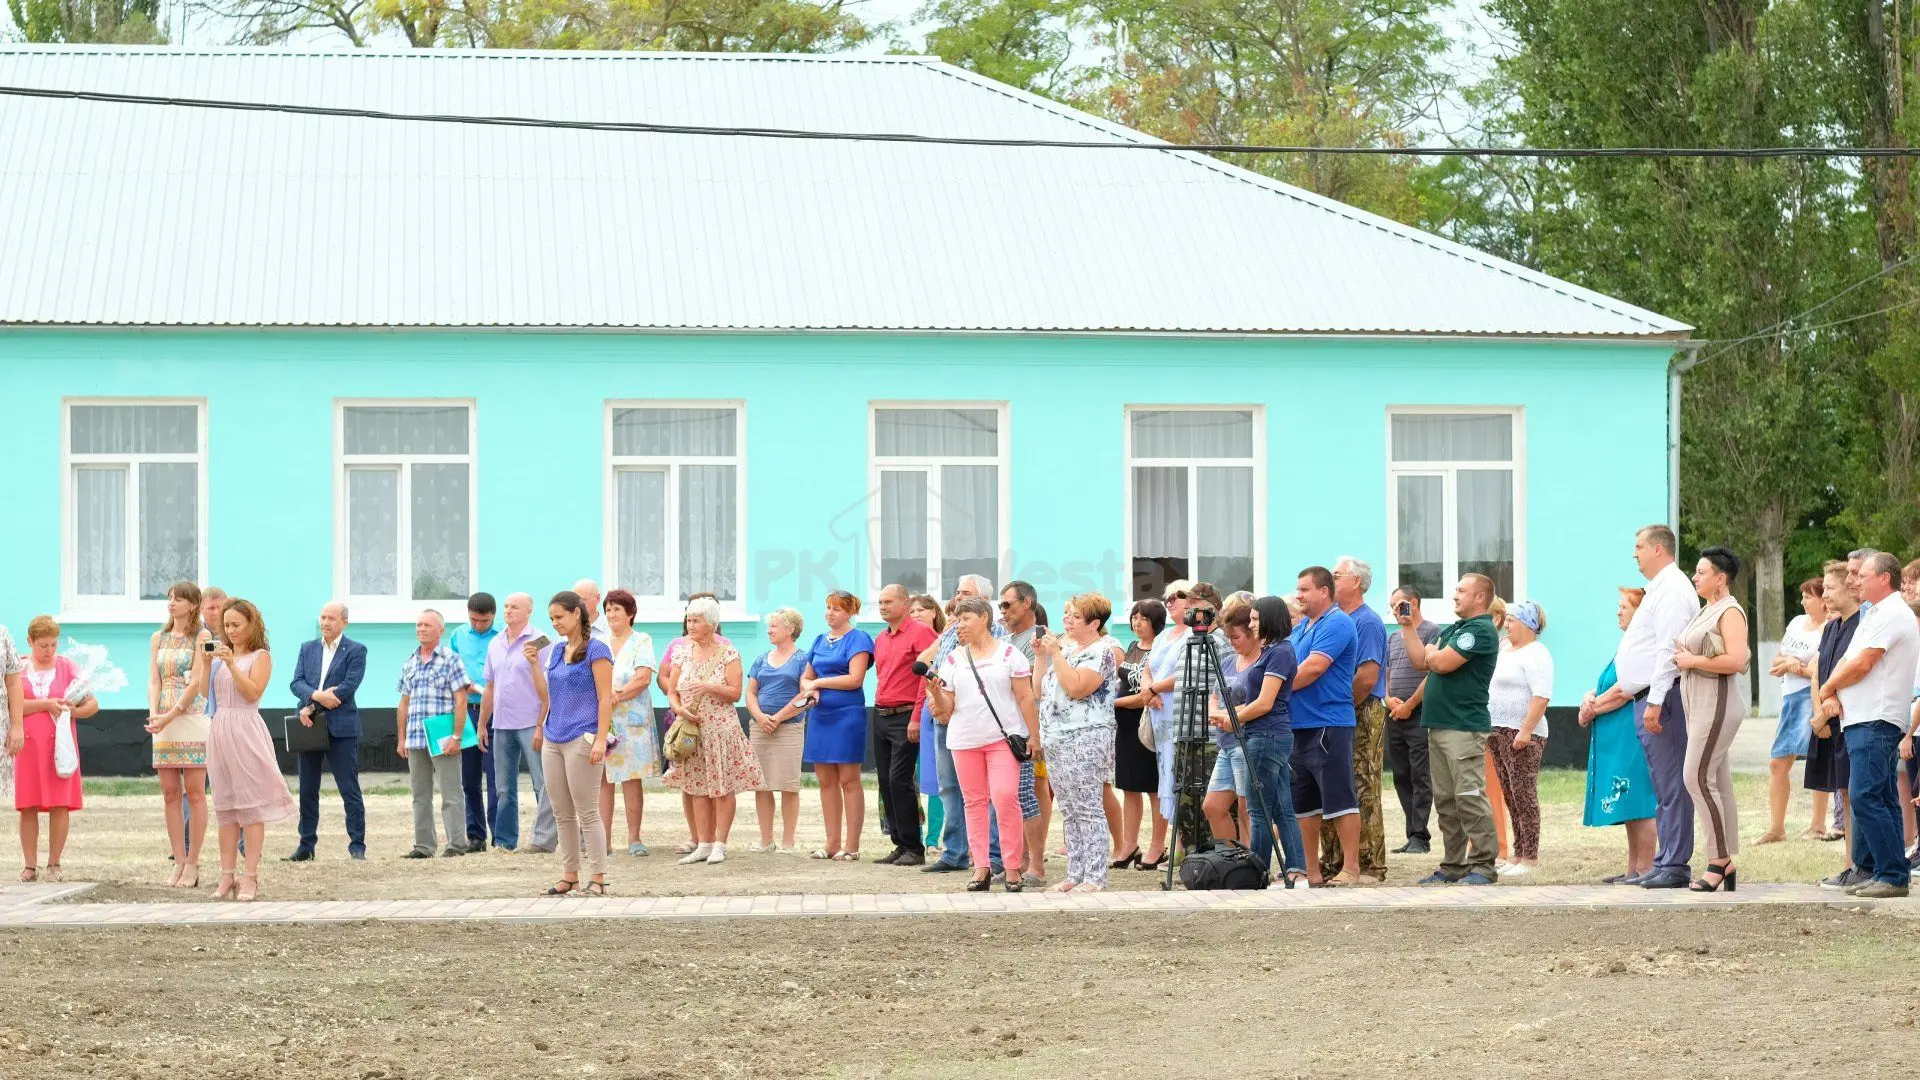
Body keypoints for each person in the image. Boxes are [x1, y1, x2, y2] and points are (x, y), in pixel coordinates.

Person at [1817, 551, 1916, 898]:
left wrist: (1828, 688)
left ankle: (1891, 875)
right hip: (1863, 718)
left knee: (1866, 795)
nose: (1853, 581)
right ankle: (1886, 871)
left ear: (1884, 578)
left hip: (1876, 717)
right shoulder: (1875, 614)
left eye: (1862, 576)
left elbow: (1862, 663)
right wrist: (1831, 694)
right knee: (1882, 796)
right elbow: (1848, 660)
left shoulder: (1891, 613)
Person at [927, 595, 1038, 893]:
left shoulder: (1009, 654)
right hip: (964, 740)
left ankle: (1013, 868)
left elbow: (1025, 697)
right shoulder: (953, 659)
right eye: (957, 620)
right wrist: (935, 693)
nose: (959, 625)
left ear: (984, 619)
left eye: (966, 619)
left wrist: (1034, 735)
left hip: (1002, 738)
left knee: (1004, 798)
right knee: (973, 803)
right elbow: (946, 709)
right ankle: (981, 868)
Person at [1400, 574, 1502, 885]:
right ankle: (1453, 866)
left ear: (1480, 597)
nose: (1454, 595)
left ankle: (1484, 866)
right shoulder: (1457, 629)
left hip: (1464, 728)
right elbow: (1422, 660)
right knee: (1446, 801)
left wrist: (1434, 653)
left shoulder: (1480, 631)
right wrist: (1407, 628)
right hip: (1440, 725)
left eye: (1461, 590)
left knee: (1469, 797)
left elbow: (1441, 664)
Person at [1616, 524, 1702, 890]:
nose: (1634, 554)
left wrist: (1654, 701)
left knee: (1672, 784)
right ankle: (1666, 859)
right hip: (1650, 697)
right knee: (1662, 785)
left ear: (1658, 549)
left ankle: (1676, 863)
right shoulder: (1659, 589)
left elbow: (1669, 649)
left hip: (1662, 697)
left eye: (1638, 547)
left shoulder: (1673, 589)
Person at [1671, 546, 1751, 892]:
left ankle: (1719, 860)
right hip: (1698, 703)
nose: (1695, 577)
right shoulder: (1707, 610)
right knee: (1717, 780)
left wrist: (1693, 662)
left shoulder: (1730, 611)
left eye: (1702, 573)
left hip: (1717, 704)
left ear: (1721, 578)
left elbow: (1737, 661)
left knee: (1696, 777)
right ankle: (1727, 856)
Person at [206, 599, 296, 902]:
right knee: (225, 807)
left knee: (250, 807)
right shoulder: (219, 657)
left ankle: (250, 876)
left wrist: (232, 664)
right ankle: (226, 875)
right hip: (219, 729)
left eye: (236, 625)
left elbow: (252, 692)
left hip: (245, 729)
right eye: (226, 625)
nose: (230, 631)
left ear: (251, 625)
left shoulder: (260, 657)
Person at [1211, 598, 1305, 885]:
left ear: (1270, 619)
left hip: (1266, 735)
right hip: (1266, 733)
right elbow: (1257, 702)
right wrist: (1232, 713)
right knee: (1281, 808)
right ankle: (1297, 868)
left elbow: (1265, 703)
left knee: (1258, 810)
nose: (1251, 625)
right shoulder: (1273, 651)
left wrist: (1233, 718)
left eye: (1254, 619)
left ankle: (1258, 871)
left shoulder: (1279, 653)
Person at [919, 574, 1009, 875]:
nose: (957, 597)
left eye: (965, 593)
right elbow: (937, 670)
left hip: (979, 722)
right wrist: (935, 701)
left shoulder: (999, 635)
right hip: (945, 717)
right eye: (956, 592)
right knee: (948, 787)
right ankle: (954, 852)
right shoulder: (949, 634)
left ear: (984, 602)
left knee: (989, 793)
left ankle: (993, 856)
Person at [525, 590, 613, 893]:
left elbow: (605, 698)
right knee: (561, 811)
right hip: (554, 736)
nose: (555, 623)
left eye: (559, 617)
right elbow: (545, 695)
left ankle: (598, 876)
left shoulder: (597, 650)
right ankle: (570, 874)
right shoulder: (556, 650)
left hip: (582, 736)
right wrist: (534, 666)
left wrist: (601, 739)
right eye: (551, 619)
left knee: (587, 811)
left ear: (577, 613)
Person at [666, 595, 761, 865]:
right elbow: (672, 692)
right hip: (691, 730)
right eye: (689, 619)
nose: (690, 624)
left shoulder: (728, 653)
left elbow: (734, 693)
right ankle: (703, 844)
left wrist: (709, 687)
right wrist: (678, 709)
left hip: (720, 729)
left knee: (721, 787)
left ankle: (720, 844)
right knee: (697, 788)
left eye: (696, 620)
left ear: (711, 624)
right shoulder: (681, 653)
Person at [1035, 593, 1119, 891]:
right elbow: (1040, 689)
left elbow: (1077, 688)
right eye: (1066, 613)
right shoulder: (1067, 649)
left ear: (1094, 623)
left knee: (1087, 806)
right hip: (1056, 737)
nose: (1066, 620)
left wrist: (1055, 653)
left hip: (1086, 736)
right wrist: (1041, 656)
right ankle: (1075, 873)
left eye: (1074, 615)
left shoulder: (1101, 651)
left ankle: (1095, 877)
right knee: (1068, 808)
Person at [1578, 588, 1658, 881]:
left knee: (1640, 800)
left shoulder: (1643, 644)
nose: (1618, 611)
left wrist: (1592, 708)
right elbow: (1607, 683)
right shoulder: (1626, 644)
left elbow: (1625, 688)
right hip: (1616, 734)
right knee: (1627, 800)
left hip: (1632, 733)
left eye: (1624, 606)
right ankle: (1633, 868)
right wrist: (1590, 697)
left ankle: (1647, 867)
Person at [1288, 567, 1362, 886]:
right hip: (1298, 724)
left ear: (1324, 592)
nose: (1298, 595)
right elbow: (1285, 664)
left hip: (1328, 723)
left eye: (1304, 589)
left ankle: (1352, 868)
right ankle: (1312, 872)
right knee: (1305, 805)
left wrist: (1273, 688)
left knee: (1339, 797)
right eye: (1297, 589)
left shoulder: (1338, 622)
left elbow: (1312, 669)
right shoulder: (1302, 627)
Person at [1318, 556, 1389, 881]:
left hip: (1358, 709)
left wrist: (1340, 709)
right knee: (1333, 785)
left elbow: (1366, 677)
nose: (1331, 581)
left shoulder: (1367, 622)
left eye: (1336, 575)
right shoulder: (1333, 618)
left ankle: (1369, 865)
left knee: (1361, 784)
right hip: (1333, 711)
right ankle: (1333, 861)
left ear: (1356, 582)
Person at [14, 617, 97, 883]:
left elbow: (93, 704)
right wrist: (46, 704)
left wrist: (73, 711)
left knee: (59, 804)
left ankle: (54, 863)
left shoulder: (67, 667)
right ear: (29, 642)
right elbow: (12, 706)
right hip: (27, 745)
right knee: (28, 804)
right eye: (42, 646)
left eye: (52, 645)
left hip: (60, 746)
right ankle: (30, 865)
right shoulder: (19, 668)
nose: (48, 651)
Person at [285, 601, 367, 862]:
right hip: (309, 725)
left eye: (332, 618)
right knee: (308, 788)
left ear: (344, 622)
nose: (326, 622)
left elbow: (348, 687)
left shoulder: (356, 650)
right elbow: (296, 682)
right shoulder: (307, 648)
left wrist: (313, 705)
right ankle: (306, 845)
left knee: (348, 788)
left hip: (341, 727)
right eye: (323, 617)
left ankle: (357, 846)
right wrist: (314, 698)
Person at [145, 582, 213, 888]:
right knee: (170, 793)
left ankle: (194, 862)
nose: (172, 603)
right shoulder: (158, 638)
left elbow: (197, 681)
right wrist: (154, 713)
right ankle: (178, 860)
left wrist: (171, 714)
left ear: (193, 604)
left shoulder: (202, 636)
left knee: (195, 792)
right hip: (163, 720)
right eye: (170, 598)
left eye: (179, 599)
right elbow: (154, 679)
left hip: (191, 716)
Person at [479, 593, 556, 854]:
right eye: (506, 606)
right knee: (503, 786)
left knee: (542, 782)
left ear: (528, 611)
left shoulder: (542, 641)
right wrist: (482, 724)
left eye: (514, 607)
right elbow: (489, 686)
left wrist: (541, 724)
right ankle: (504, 840)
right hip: (501, 723)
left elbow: (549, 686)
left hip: (531, 721)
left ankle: (546, 838)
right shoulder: (496, 643)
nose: (508, 611)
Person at [801, 591, 875, 861]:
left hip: (847, 715)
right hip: (821, 716)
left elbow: (855, 679)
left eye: (837, 609)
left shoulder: (859, 639)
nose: (830, 613)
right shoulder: (819, 640)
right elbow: (806, 677)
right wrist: (810, 690)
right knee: (825, 780)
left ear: (850, 612)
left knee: (848, 779)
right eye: (828, 608)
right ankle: (831, 843)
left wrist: (819, 684)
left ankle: (851, 846)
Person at [871, 584, 938, 866]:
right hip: (881, 713)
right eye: (880, 602)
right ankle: (899, 842)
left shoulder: (921, 632)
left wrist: (916, 717)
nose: (883, 606)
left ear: (905, 603)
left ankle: (914, 846)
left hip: (906, 713)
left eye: (889, 601)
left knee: (901, 780)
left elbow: (928, 676)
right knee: (886, 781)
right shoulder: (882, 637)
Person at [396, 610, 471, 859]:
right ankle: (424, 846)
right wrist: (401, 738)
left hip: (442, 737)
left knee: (451, 792)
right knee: (420, 795)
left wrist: (457, 736)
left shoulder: (451, 659)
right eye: (418, 625)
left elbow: (461, 700)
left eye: (427, 625)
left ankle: (457, 844)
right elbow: (404, 703)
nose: (421, 629)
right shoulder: (409, 662)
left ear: (440, 630)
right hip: (415, 738)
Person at [1486, 600, 1553, 876]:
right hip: (1497, 730)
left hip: (1523, 733)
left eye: (1512, 620)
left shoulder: (1536, 653)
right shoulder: (1504, 649)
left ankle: (1530, 856)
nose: (1507, 624)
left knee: (1524, 795)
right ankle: (1517, 852)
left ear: (1527, 624)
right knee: (1509, 795)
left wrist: (1525, 730)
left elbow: (1541, 696)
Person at [1761, 579, 1827, 844]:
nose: (1803, 602)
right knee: (1777, 763)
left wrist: (1792, 666)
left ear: (1823, 600)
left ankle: (1818, 825)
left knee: (1817, 760)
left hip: (1811, 696)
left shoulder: (1828, 628)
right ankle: (1776, 828)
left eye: (1808, 597)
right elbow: (1777, 657)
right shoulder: (1796, 623)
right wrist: (1789, 662)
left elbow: (1819, 669)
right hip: (1789, 697)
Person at [1811, 562, 1864, 889]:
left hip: (1849, 718)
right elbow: (1820, 670)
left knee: (1854, 793)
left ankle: (1857, 864)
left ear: (1849, 588)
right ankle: (1849, 864)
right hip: (1827, 719)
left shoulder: (1863, 625)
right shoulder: (1832, 628)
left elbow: (1854, 672)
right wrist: (1818, 713)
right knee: (1842, 791)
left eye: (1830, 588)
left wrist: (1828, 711)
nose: (1825, 594)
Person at [598, 589, 657, 857]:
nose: (611, 615)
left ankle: (635, 838)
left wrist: (617, 695)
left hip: (631, 720)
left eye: (617, 610)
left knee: (631, 779)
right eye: (608, 610)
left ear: (630, 614)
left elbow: (643, 677)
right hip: (603, 720)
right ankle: (604, 840)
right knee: (603, 779)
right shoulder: (599, 642)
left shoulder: (641, 640)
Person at [999, 581, 1049, 886]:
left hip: (1028, 729)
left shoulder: (1039, 639)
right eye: (1001, 606)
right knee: (1014, 796)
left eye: (1008, 604)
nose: (1002, 611)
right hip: (1008, 728)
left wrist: (1035, 735)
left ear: (1027, 603)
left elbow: (1032, 689)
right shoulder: (1009, 640)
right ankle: (1019, 860)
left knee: (1027, 795)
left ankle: (1036, 865)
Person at [747, 607, 809, 853]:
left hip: (790, 729)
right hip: (760, 728)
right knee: (761, 784)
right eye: (769, 626)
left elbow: (806, 694)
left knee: (788, 785)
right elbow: (751, 692)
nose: (769, 630)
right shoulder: (761, 658)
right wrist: (761, 717)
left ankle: (788, 841)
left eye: (774, 626)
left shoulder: (803, 659)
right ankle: (765, 839)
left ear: (790, 630)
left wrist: (779, 717)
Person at [1382, 587, 1438, 855]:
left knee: (1420, 774)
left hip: (1420, 713)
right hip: (1394, 714)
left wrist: (1411, 704)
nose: (1395, 610)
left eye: (1400, 604)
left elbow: (1432, 675)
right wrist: (1388, 697)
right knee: (1401, 774)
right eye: (1392, 606)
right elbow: (1388, 672)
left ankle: (1420, 835)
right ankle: (1411, 833)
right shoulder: (1393, 638)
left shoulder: (1431, 632)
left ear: (1414, 603)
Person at [1110, 600, 1166, 869]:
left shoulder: (1161, 648)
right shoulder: (1132, 648)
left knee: (1154, 788)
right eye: (1134, 617)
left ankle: (1158, 846)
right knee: (1129, 787)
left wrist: (1115, 704)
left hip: (1148, 723)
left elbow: (1147, 694)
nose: (1137, 622)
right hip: (1125, 725)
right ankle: (1128, 845)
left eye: (1144, 618)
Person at [448, 592, 499, 854]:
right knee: (468, 778)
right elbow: (452, 668)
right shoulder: (458, 635)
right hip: (466, 712)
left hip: (495, 712)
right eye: (474, 620)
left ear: (494, 616)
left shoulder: (502, 636)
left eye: (484, 621)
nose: (479, 625)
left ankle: (498, 835)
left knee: (495, 777)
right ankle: (475, 835)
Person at [909, 595, 948, 850]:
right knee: (914, 779)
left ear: (935, 612)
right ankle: (916, 834)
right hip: (910, 713)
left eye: (922, 609)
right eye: (911, 610)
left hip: (932, 709)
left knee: (936, 779)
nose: (916, 614)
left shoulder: (944, 641)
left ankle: (933, 838)